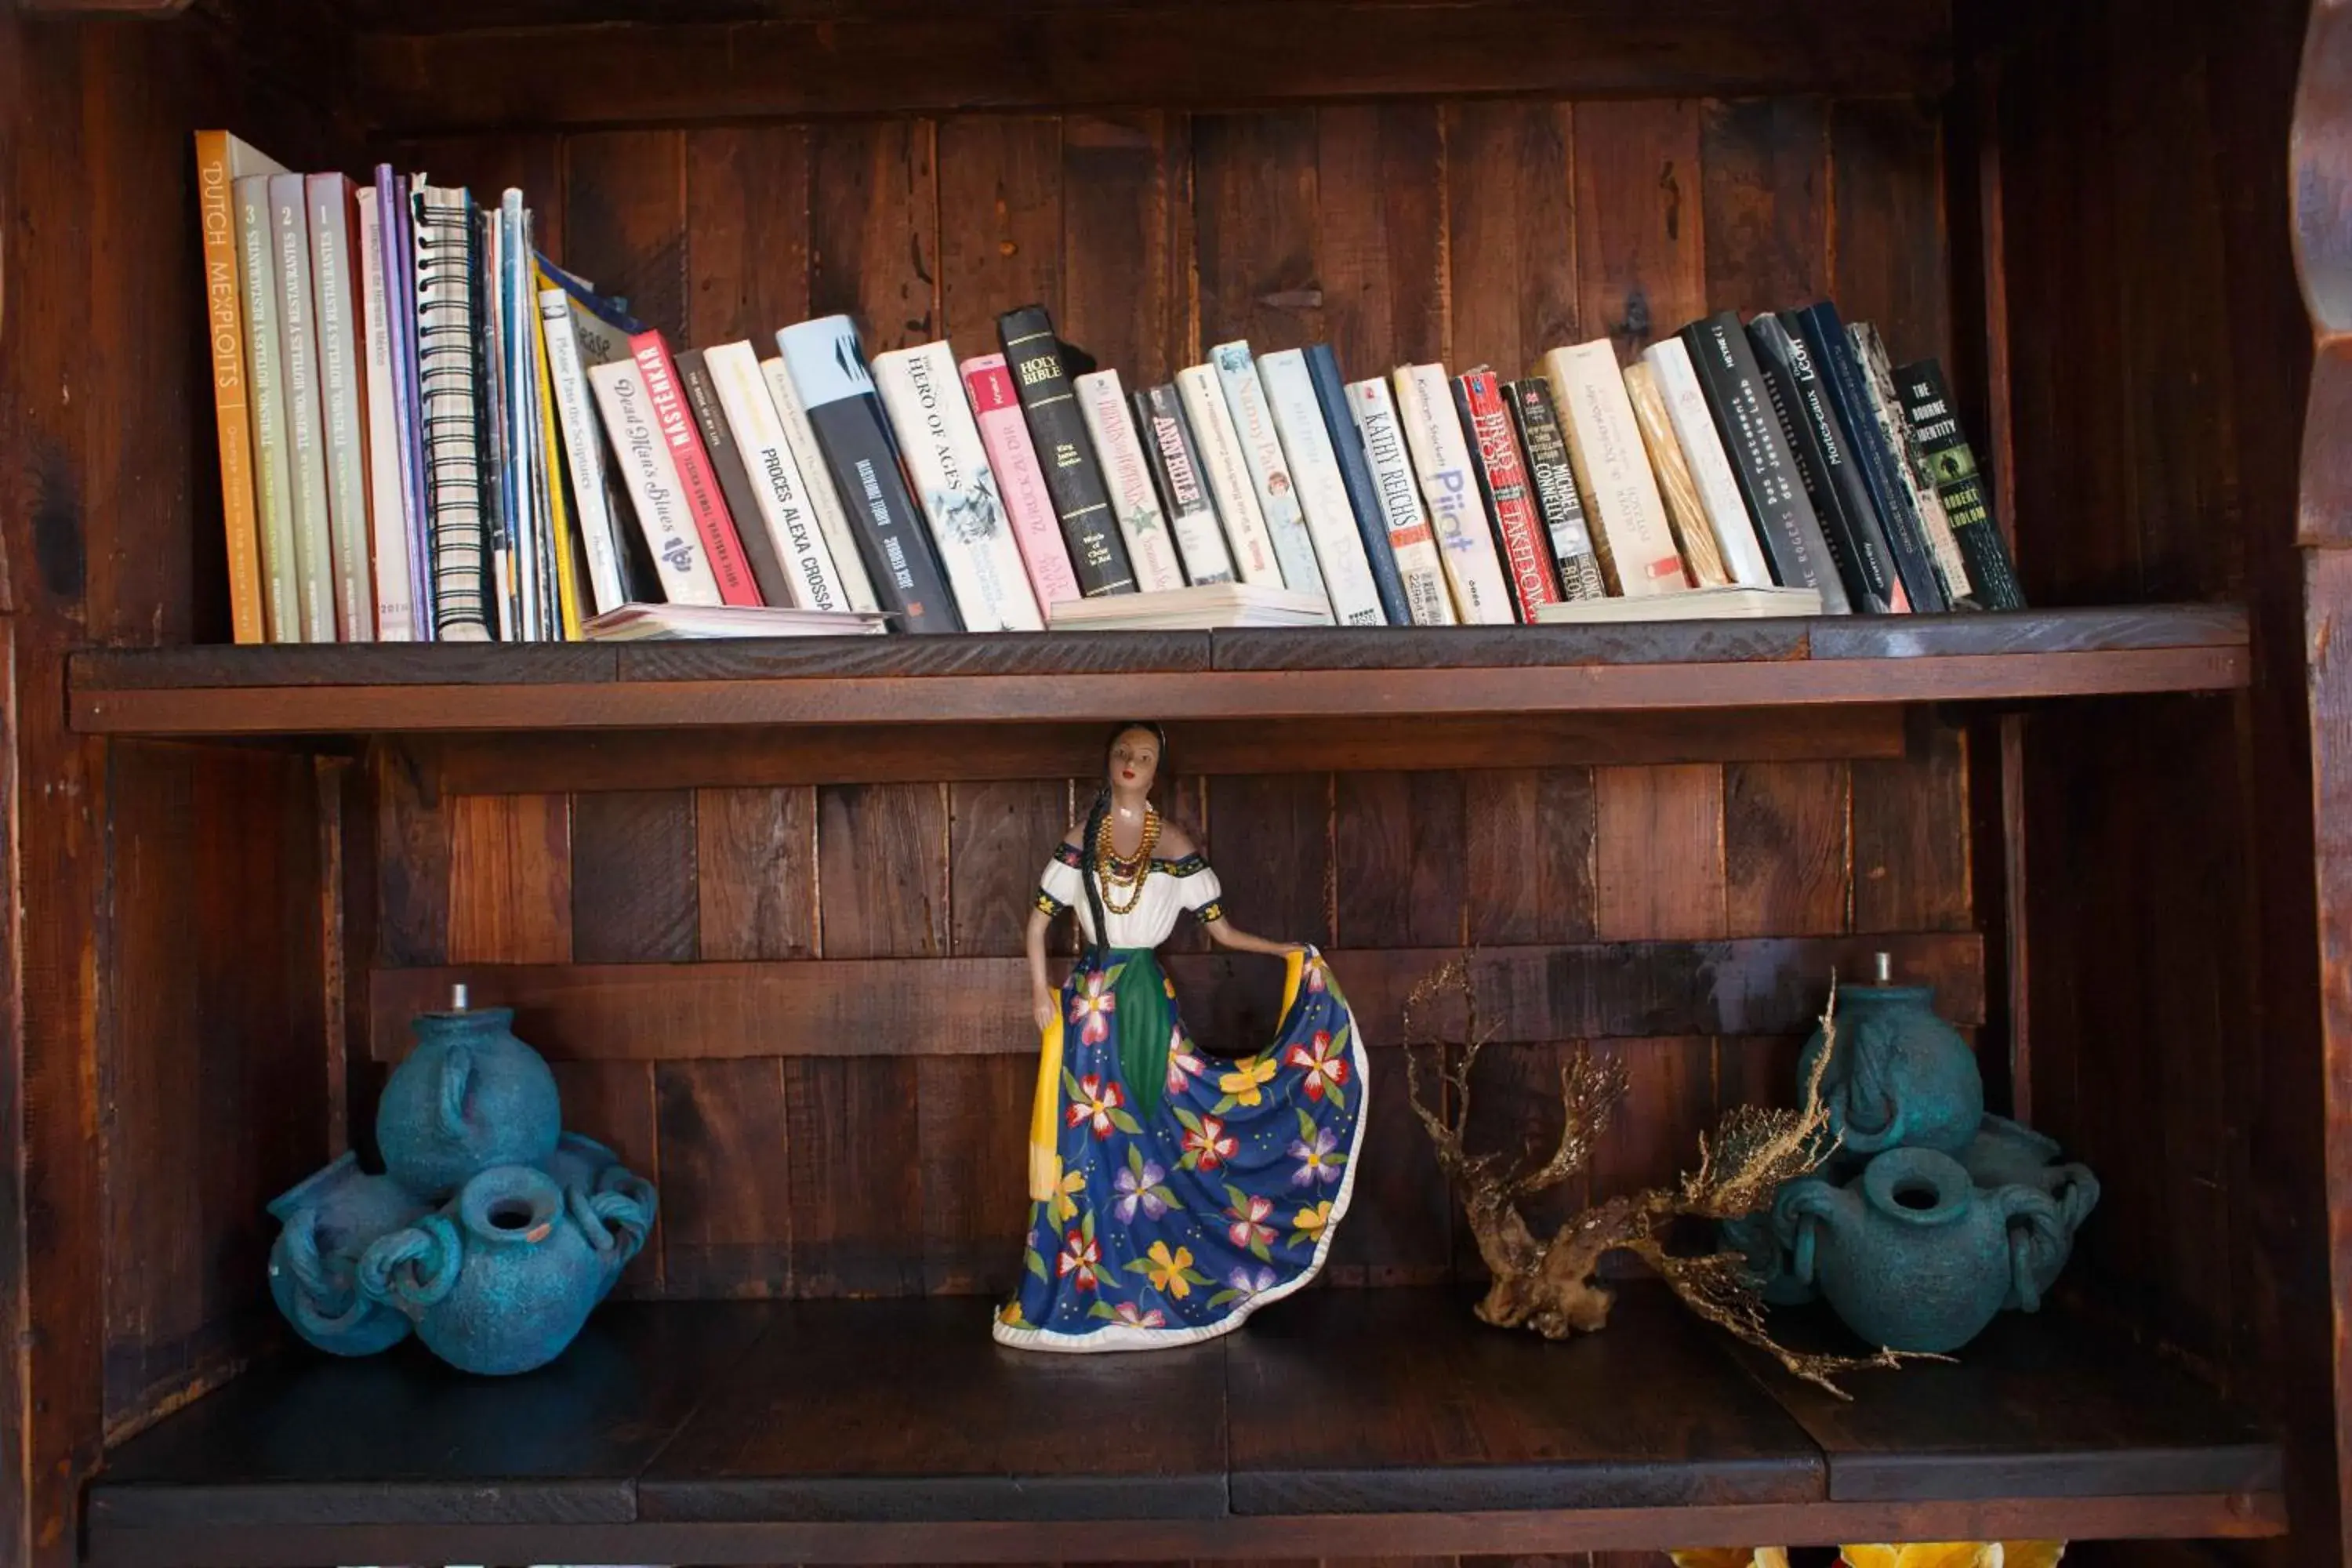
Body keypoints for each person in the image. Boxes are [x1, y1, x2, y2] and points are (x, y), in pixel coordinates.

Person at [993, 721, 1369, 1352]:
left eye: (1143, 755)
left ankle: (1160, 1277)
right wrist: (1038, 991)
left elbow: (1220, 931)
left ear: (1158, 769)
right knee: (1085, 1144)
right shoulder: (1077, 842)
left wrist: (1284, 952)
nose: (1131, 763)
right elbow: (1036, 926)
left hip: (1145, 1001)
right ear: (1107, 762)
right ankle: (1084, 1282)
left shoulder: (1172, 844)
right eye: (1122, 753)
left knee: (1158, 1127)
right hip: (1089, 1007)